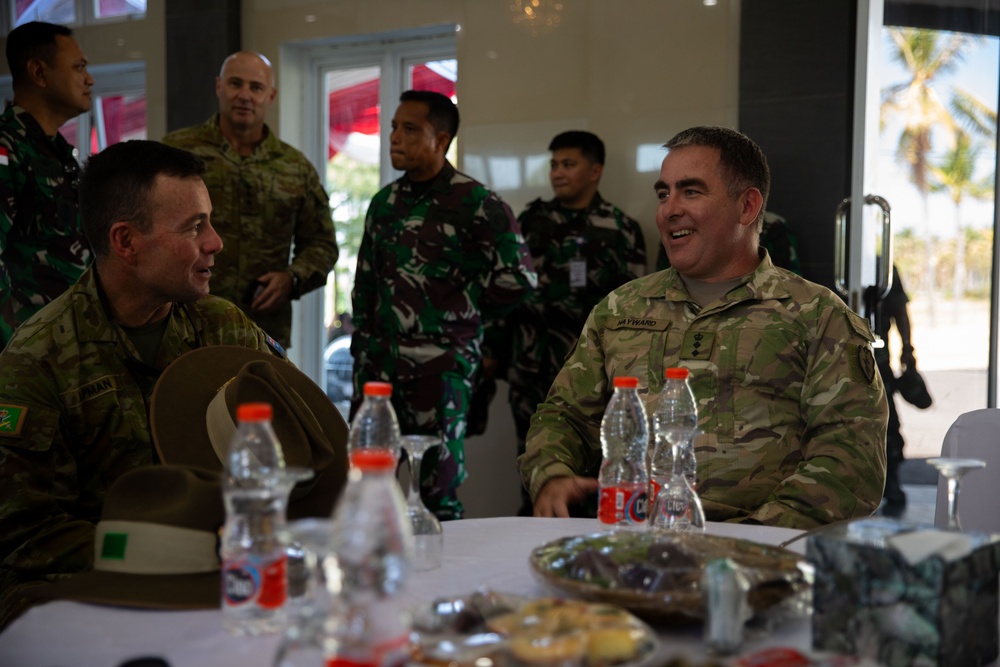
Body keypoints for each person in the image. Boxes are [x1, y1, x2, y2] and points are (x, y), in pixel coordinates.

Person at [519, 126, 888, 529]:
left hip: (765, 554)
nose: (669, 209)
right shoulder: (620, 308)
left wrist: (753, 537)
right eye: (664, 194)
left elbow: (852, 457)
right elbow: (565, 415)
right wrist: (551, 472)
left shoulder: (815, 315)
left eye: (691, 192)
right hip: (638, 543)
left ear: (747, 207)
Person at [0, 140, 288, 629]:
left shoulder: (224, 328)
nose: (215, 242)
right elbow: (25, 536)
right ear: (126, 242)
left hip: (220, 578)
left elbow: (298, 434)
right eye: (195, 227)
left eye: (210, 222)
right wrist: (175, 552)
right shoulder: (37, 360)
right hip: (88, 595)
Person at [351, 90, 537, 521]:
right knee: (364, 488)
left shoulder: (476, 203)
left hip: (440, 375)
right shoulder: (384, 204)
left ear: (441, 139)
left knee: (438, 499)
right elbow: (365, 286)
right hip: (377, 374)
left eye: (410, 129)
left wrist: (460, 320)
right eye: (394, 127)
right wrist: (363, 348)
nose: (395, 137)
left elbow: (520, 279)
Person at [486, 130, 646, 515]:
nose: (558, 172)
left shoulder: (621, 230)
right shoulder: (530, 222)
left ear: (595, 171)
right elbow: (504, 289)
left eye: (568, 164)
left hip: (593, 379)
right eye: (554, 164)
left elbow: (638, 309)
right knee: (535, 468)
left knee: (597, 473)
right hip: (531, 369)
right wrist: (493, 352)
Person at [161, 51, 338, 349]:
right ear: (219, 86)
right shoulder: (176, 153)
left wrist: (291, 279)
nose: (245, 95)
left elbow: (322, 244)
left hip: (262, 331)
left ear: (271, 95)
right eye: (235, 84)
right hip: (182, 323)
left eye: (256, 87)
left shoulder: (295, 167)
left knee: (258, 398)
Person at [0, 21, 94, 346]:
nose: (89, 79)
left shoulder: (57, 150)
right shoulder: (8, 147)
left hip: (68, 335)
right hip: (25, 343)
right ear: (39, 73)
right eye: (79, 67)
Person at [875, 264, 926, 516]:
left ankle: (891, 481)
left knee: (888, 422)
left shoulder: (882, 265)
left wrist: (908, 350)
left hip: (877, 360)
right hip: (836, 357)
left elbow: (900, 311)